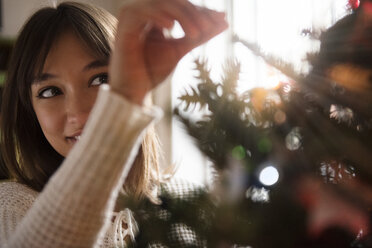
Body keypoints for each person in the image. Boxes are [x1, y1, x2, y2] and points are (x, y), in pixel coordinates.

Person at [0, 1, 228, 247]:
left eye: (100, 78)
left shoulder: (188, 205)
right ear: (29, 111)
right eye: (50, 91)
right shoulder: (12, 207)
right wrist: (124, 96)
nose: (79, 113)